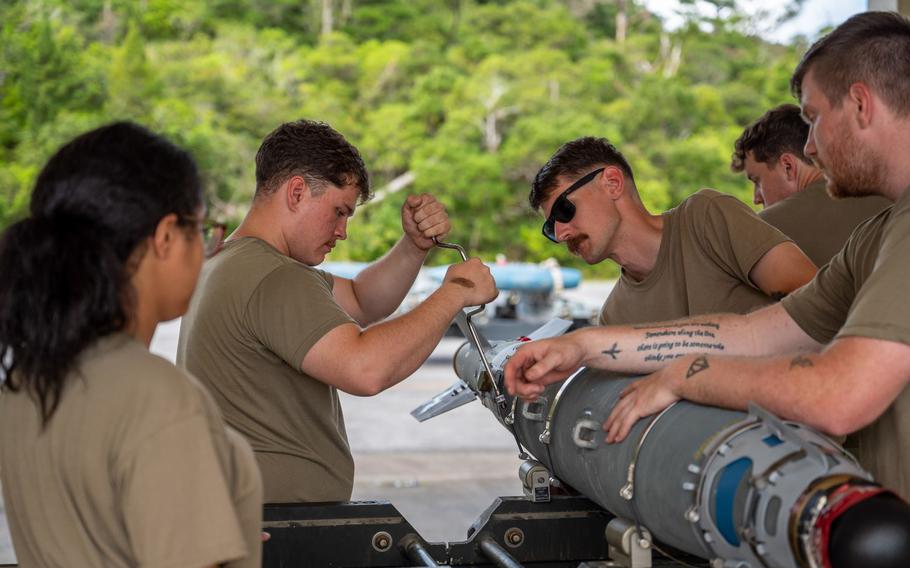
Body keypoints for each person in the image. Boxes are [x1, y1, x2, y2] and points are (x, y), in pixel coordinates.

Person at [504, 11, 910, 500]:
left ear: (862, 105)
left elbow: (839, 395)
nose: (808, 146)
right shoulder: (879, 233)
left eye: (813, 118)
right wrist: (584, 346)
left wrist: (688, 375)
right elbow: (761, 331)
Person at [177, 119, 497, 503]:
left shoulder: (230, 262)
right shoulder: (274, 278)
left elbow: (362, 300)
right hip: (273, 529)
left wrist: (414, 247)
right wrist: (455, 293)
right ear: (297, 192)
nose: (342, 230)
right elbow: (365, 369)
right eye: (339, 211)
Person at [0, 122, 262, 567]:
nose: (205, 248)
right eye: (200, 229)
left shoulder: (25, 380)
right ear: (164, 237)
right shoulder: (157, 397)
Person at [529, 137, 817, 326]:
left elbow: (820, 302)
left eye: (563, 211)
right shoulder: (614, 319)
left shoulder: (707, 218)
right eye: (549, 228)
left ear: (612, 183)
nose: (561, 233)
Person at [732, 103, 889, 266]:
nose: (756, 198)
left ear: (788, 167)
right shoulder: (888, 196)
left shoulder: (764, 230)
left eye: (757, 181)